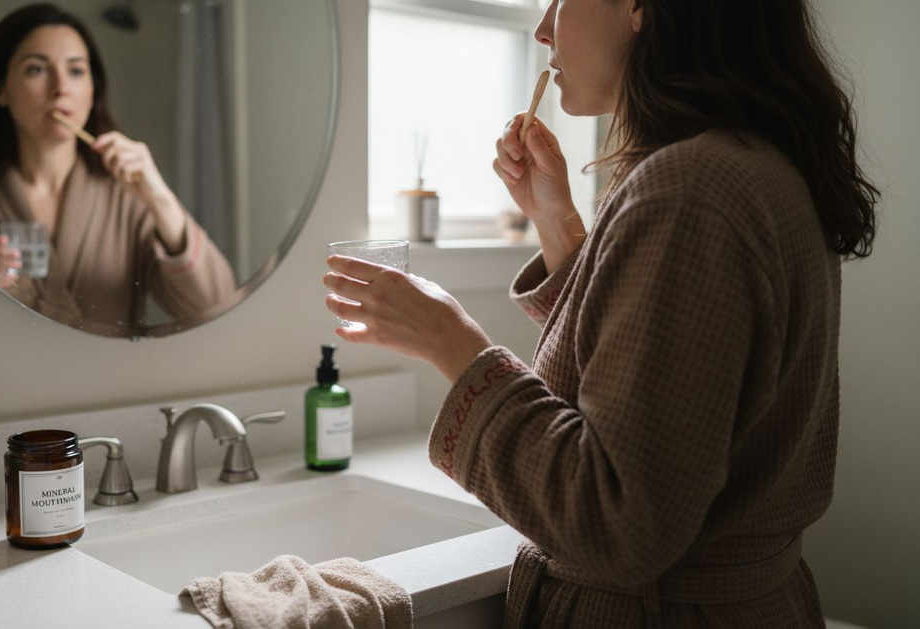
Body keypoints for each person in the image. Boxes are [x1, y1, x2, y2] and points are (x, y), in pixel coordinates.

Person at [325, 0, 879, 626]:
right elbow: (663, 377)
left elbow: (616, 525)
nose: (542, 28)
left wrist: (451, 342)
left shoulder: (688, 189)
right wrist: (556, 221)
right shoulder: (750, 165)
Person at [0, 3, 235, 336]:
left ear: (94, 89)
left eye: (76, 70)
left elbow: (215, 306)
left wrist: (161, 199)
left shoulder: (128, 197)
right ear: (0, 90)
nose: (61, 87)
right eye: (36, 69)